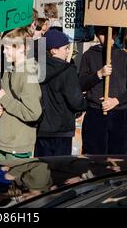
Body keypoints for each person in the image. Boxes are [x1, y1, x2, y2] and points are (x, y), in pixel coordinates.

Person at [79, 26, 127, 155]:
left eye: (112, 33)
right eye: (103, 34)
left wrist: (116, 101)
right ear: (97, 35)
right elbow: (81, 83)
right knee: (93, 156)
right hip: (95, 112)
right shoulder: (89, 56)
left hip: (119, 114)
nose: (108, 37)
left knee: (117, 157)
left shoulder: (125, 57)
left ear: (116, 35)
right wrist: (99, 74)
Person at [0, 28, 42, 161]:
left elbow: (33, 112)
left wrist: (4, 99)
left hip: (17, 144)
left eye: (7, 48)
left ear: (21, 48)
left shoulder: (28, 73)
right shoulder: (9, 69)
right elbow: (4, 99)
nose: (3, 51)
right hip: (1, 141)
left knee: (15, 182)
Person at [36, 29, 87, 157]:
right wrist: (84, 103)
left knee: (41, 170)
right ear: (53, 50)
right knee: (60, 170)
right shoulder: (68, 70)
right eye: (65, 48)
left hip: (41, 127)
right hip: (62, 129)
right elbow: (76, 101)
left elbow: (34, 47)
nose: (68, 51)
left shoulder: (35, 67)